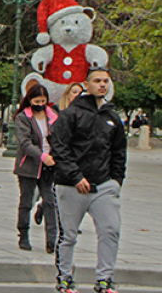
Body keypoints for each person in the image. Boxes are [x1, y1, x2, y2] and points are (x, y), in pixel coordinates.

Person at [49, 69, 126, 293]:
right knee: (69, 234)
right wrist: (75, 176)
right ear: (86, 84)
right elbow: (60, 147)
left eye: (105, 81)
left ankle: (104, 278)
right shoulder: (71, 114)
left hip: (103, 184)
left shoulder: (112, 117)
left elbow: (119, 151)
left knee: (110, 229)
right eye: (97, 81)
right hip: (71, 184)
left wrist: (116, 180)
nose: (102, 85)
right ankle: (64, 277)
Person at [14, 84, 59, 254]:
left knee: (50, 202)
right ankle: (23, 235)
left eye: (43, 101)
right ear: (30, 100)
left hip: (49, 166)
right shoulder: (23, 118)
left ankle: (52, 240)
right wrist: (41, 156)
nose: (40, 104)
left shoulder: (53, 116)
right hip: (30, 165)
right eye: (36, 101)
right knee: (26, 201)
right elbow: (25, 143)